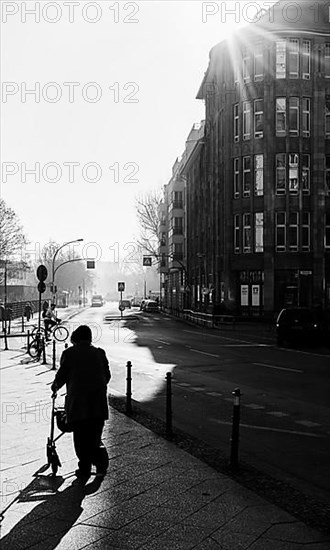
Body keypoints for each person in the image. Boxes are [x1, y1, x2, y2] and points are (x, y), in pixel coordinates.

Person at [51, 325, 111, 478]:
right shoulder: (99, 353)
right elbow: (107, 376)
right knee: (95, 437)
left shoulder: (69, 353)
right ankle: (101, 466)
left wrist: (55, 387)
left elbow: (61, 376)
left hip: (78, 405)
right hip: (98, 405)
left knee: (81, 439)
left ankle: (84, 468)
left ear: (75, 338)